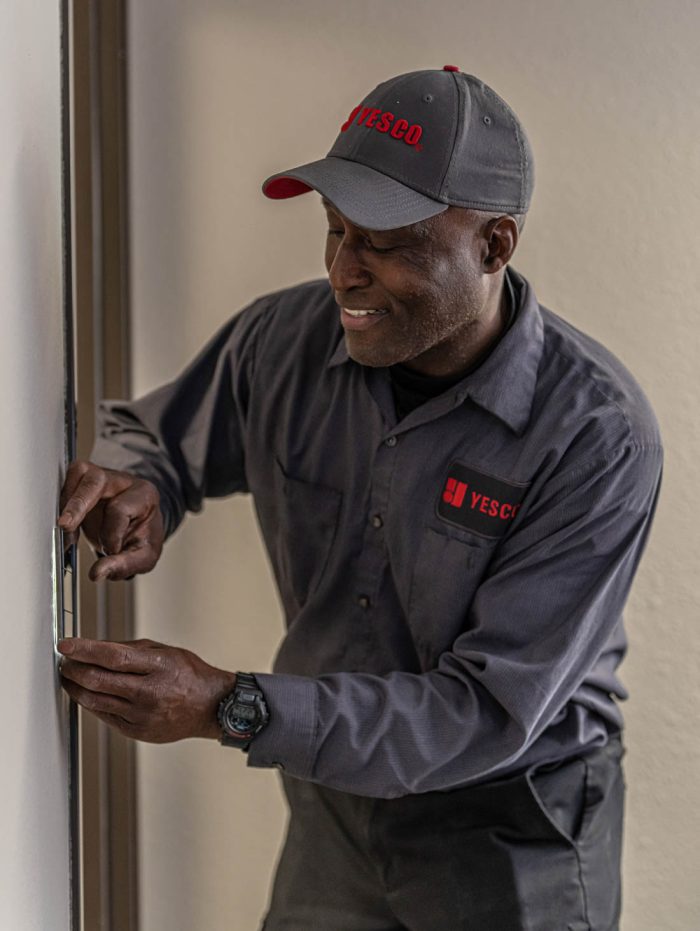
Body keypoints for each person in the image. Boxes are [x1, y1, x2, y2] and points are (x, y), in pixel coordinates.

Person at [56, 66, 664, 930]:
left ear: (494, 245)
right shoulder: (284, 341)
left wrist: (228, 703)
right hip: (333, 809)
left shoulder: (597, 436)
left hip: (510, 823)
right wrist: (141, 485)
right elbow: (153, 435)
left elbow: (484, 711)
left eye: (384, 242)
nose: (344, 271)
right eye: (334, 230)